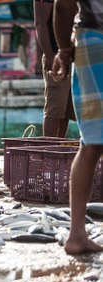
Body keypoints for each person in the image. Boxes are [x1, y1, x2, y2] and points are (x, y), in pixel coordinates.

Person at [49, 0, 103, 254]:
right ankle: (76, 235)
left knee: (91, 142)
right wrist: (63, 50)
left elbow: (63, 5)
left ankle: (77, 233)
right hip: (96, 39)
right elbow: (64, 4)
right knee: (92, 142)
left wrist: (64, 50)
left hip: (93, 39)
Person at [34, 0, 76, 137]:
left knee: (67, 110)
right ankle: (49, 151)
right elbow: (40, 23)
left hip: (73, 55)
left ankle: (58, 148)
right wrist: (50, 55)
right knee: (55, 109)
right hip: (55, 54)